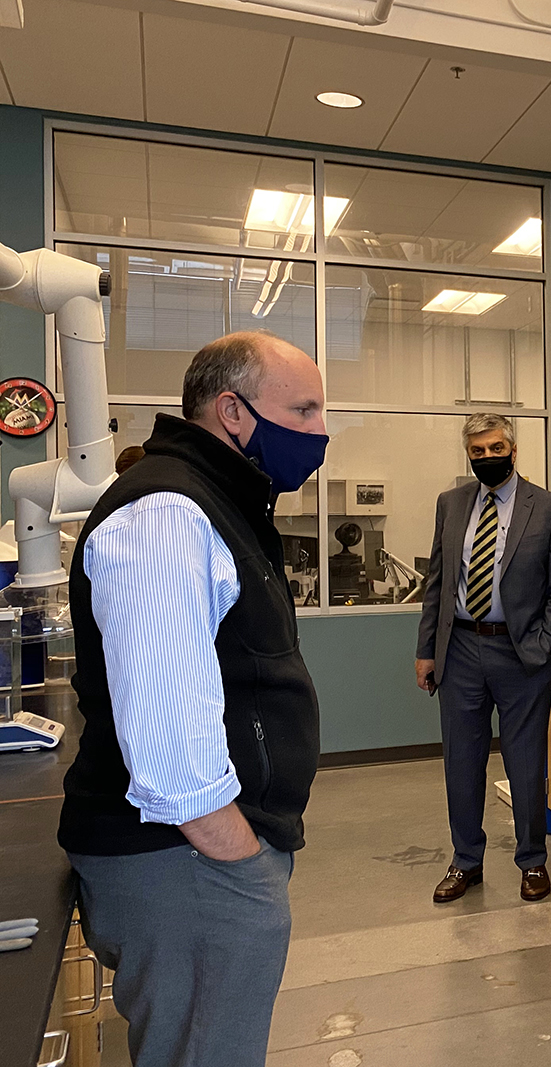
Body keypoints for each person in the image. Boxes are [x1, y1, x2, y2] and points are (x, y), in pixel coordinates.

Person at [58, 330, 327, 1067]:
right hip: (189, 860)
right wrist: (245, 871)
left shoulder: (221, 503)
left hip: (201, 857)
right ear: (233, 412)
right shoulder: (167, 515)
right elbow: (173, 749)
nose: (320, 431)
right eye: (302, 410)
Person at [416, 412, 551, 904]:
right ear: (469, 454)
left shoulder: (547, 508)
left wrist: (548, 644)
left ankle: (532, 861)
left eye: (495, 448)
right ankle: (466, 862)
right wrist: (426, 652)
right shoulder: (451, 503)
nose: (487, 457)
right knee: (461, 763)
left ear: (512, 448)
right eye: (478, 451)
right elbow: (437, 585)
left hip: (521, 652)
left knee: (525, 762)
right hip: (460, 649)